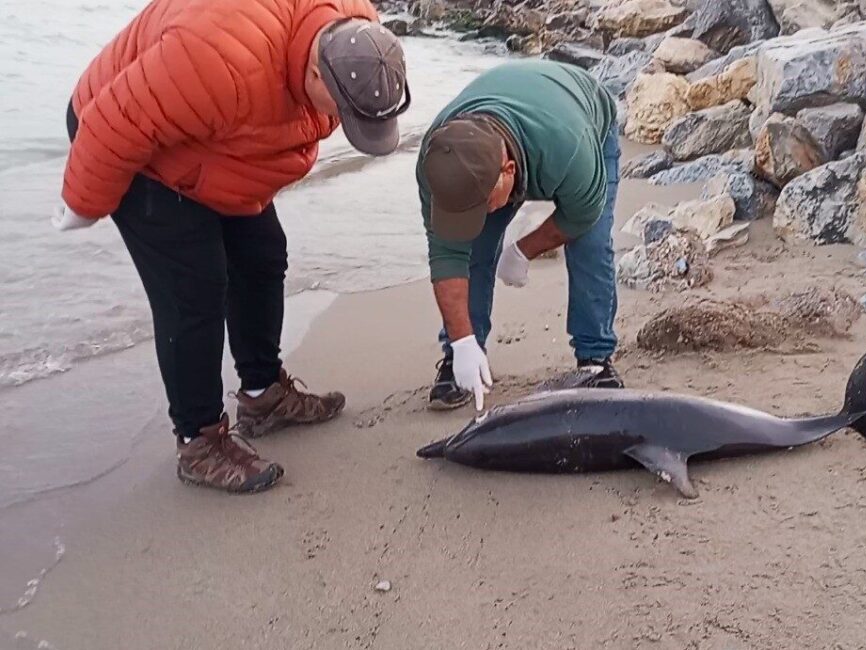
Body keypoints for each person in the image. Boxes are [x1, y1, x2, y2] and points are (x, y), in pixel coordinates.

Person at [55, 0, 410, 493]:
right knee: (194, 289)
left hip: (217, 135)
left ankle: (263, 396)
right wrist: (83, 202)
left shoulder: (358, 38)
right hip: (122, 137)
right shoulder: (219, 58)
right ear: (312, 73)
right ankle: (197, 442)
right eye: (344, 112)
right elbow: (115, 123)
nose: (345, 126)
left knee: (263, 255)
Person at [415, 60, 623, 412]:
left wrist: (524, 250)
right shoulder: (438, 163)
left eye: (479, 205)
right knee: (475, 248)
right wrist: (462, 341)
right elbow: (447, 257)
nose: (474, 215)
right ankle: (460, 357)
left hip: (582, 120)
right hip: (506, 121)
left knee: (590, 246)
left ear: (508, 172)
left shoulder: (569, 148)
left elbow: (581, 217)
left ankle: (595, 360)